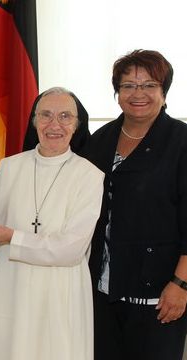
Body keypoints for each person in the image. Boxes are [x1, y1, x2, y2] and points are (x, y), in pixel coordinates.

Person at [0, 87, 104, 360]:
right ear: (34, 121)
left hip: (60, 291)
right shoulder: (9, 167)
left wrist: (13, 237)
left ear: (77, 125)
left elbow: (72, 249)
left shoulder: (89, 175)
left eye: (65, 116)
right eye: (45, 115)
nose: (54, 124)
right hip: (11, 286)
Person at [86, 50, 187, 360]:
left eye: (149, 85)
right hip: (102, 290)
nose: (138, 93)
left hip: (159, 294)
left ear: (164, 93)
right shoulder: (100, 140)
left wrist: (181, 283)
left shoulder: (181, 141)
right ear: (118, 93)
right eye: (128, 85)